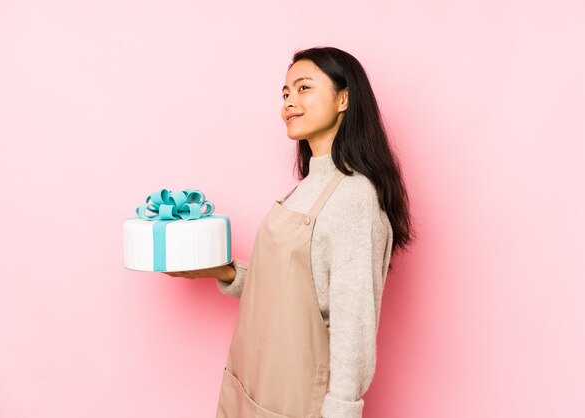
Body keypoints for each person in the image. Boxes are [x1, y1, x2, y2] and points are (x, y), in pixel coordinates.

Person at [165, 46, 414, 418]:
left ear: (344, 98)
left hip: (298, 400)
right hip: (255, 382)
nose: (289, 102)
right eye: (285, 93)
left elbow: (353, 324)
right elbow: (292, 289)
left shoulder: (355, 198)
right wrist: (226, 272)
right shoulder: (307, 184)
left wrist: (343, 411)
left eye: (303, 88)